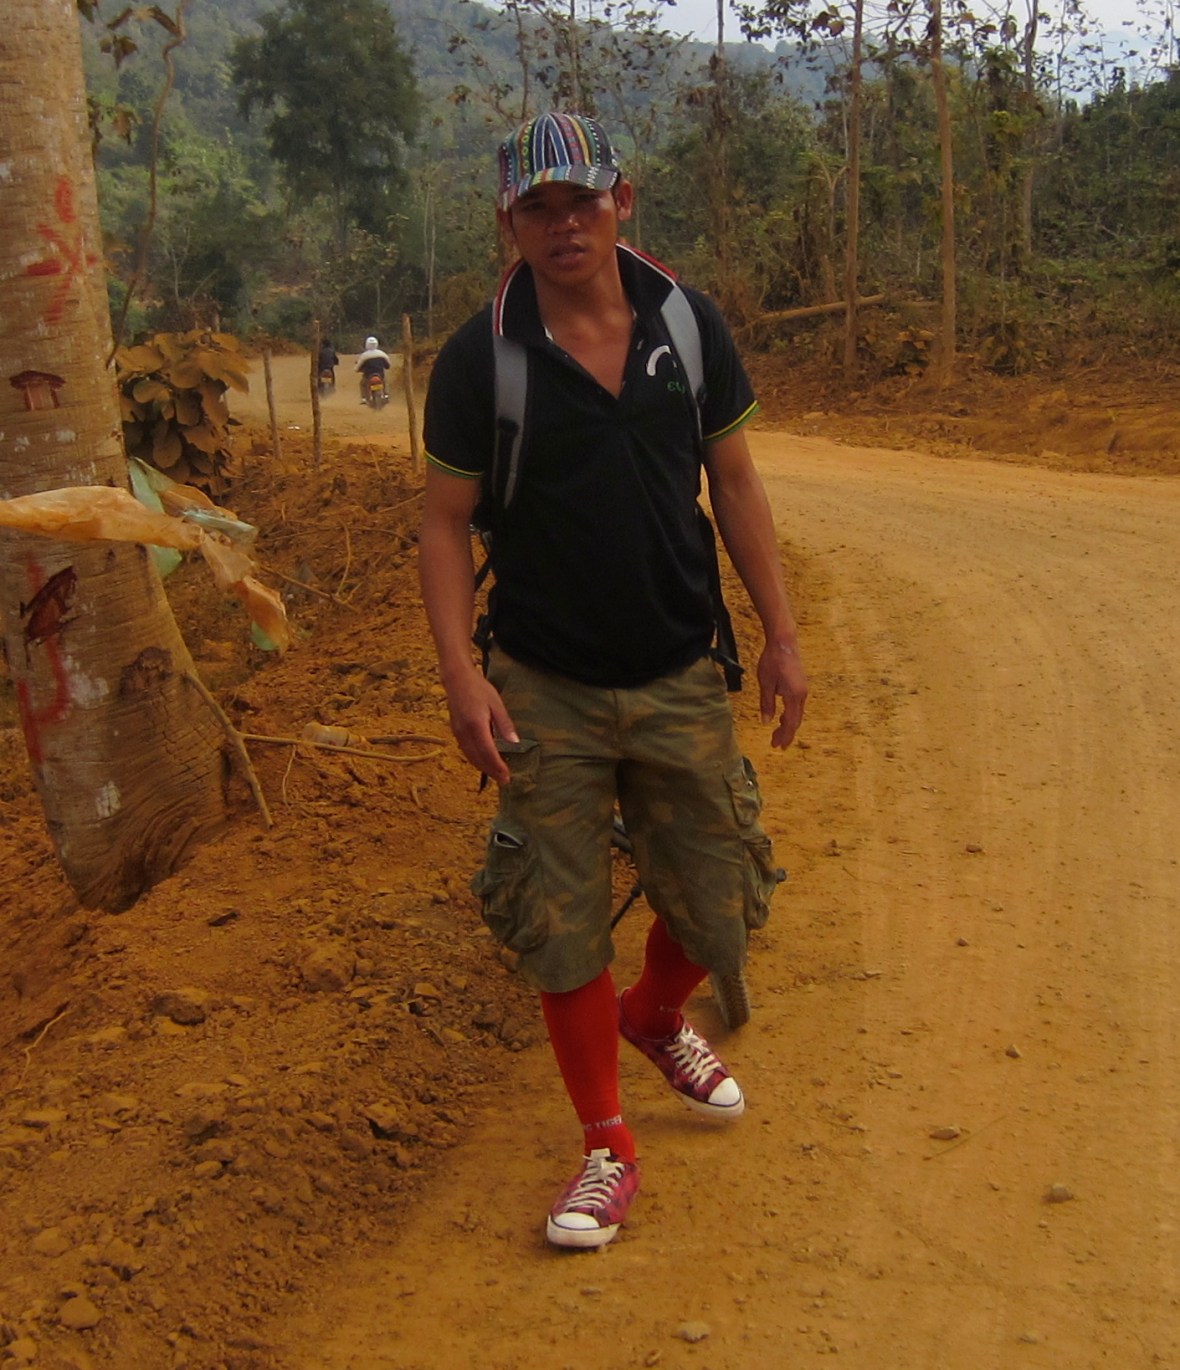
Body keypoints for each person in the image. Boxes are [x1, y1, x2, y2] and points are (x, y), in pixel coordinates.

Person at [418, 112, 808, 1250]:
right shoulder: (481, 358)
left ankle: (655, 1011)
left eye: (581, 200)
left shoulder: (686, 323)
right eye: (537, 207)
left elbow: (736, 482)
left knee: (721, 895)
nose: (564, 224)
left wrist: (781, 636)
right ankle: (606, 1144)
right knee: (559, 915)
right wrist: (461, 675)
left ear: (621, 201)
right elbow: (443, 526)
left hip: (679, 663)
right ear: (509, 221)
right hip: (542, 681)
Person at [355, 335, 391, 402]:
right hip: (380, 375)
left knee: (362, 384)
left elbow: (357, 368)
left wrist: (358, 370)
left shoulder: (364, 355)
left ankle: (364, 398)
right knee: (385, 382)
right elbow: (388, 365)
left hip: (368, 376)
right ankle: (386, 395)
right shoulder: (382, 354)